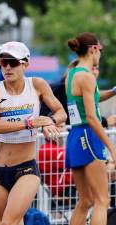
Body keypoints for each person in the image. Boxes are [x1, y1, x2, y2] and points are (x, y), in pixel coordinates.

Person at [0, 41, 67, 225]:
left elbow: (61, 113)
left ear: (25, 64)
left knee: (9, 222)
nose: (6, 67)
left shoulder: (37, 84)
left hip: (26, 170)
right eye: (3, 62)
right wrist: (30, 123)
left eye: (12, 62)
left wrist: (48, 121)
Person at [65, 32, 116, 225]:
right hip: (88, 135)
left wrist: (113, 91)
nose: (100, 55)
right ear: (93, 49)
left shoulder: (72, 73)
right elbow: (93, 118)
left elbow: (91, 98)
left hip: (75, 136)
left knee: (86, 201)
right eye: (100, 50)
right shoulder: (87, 77)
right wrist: (111, 147)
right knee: (102, 200)